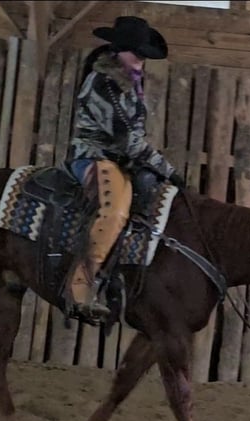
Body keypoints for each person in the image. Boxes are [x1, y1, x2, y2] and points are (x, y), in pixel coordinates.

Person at [64, 16, 184, 320]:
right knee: (115, 210)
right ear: (119, 50)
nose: (141, 59)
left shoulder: (129, 81)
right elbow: (127, 139)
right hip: (93, 156)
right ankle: (80, 287)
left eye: (143, 54)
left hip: (121, 160)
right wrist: (166, 169)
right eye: (136, 52)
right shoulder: (102, 83)